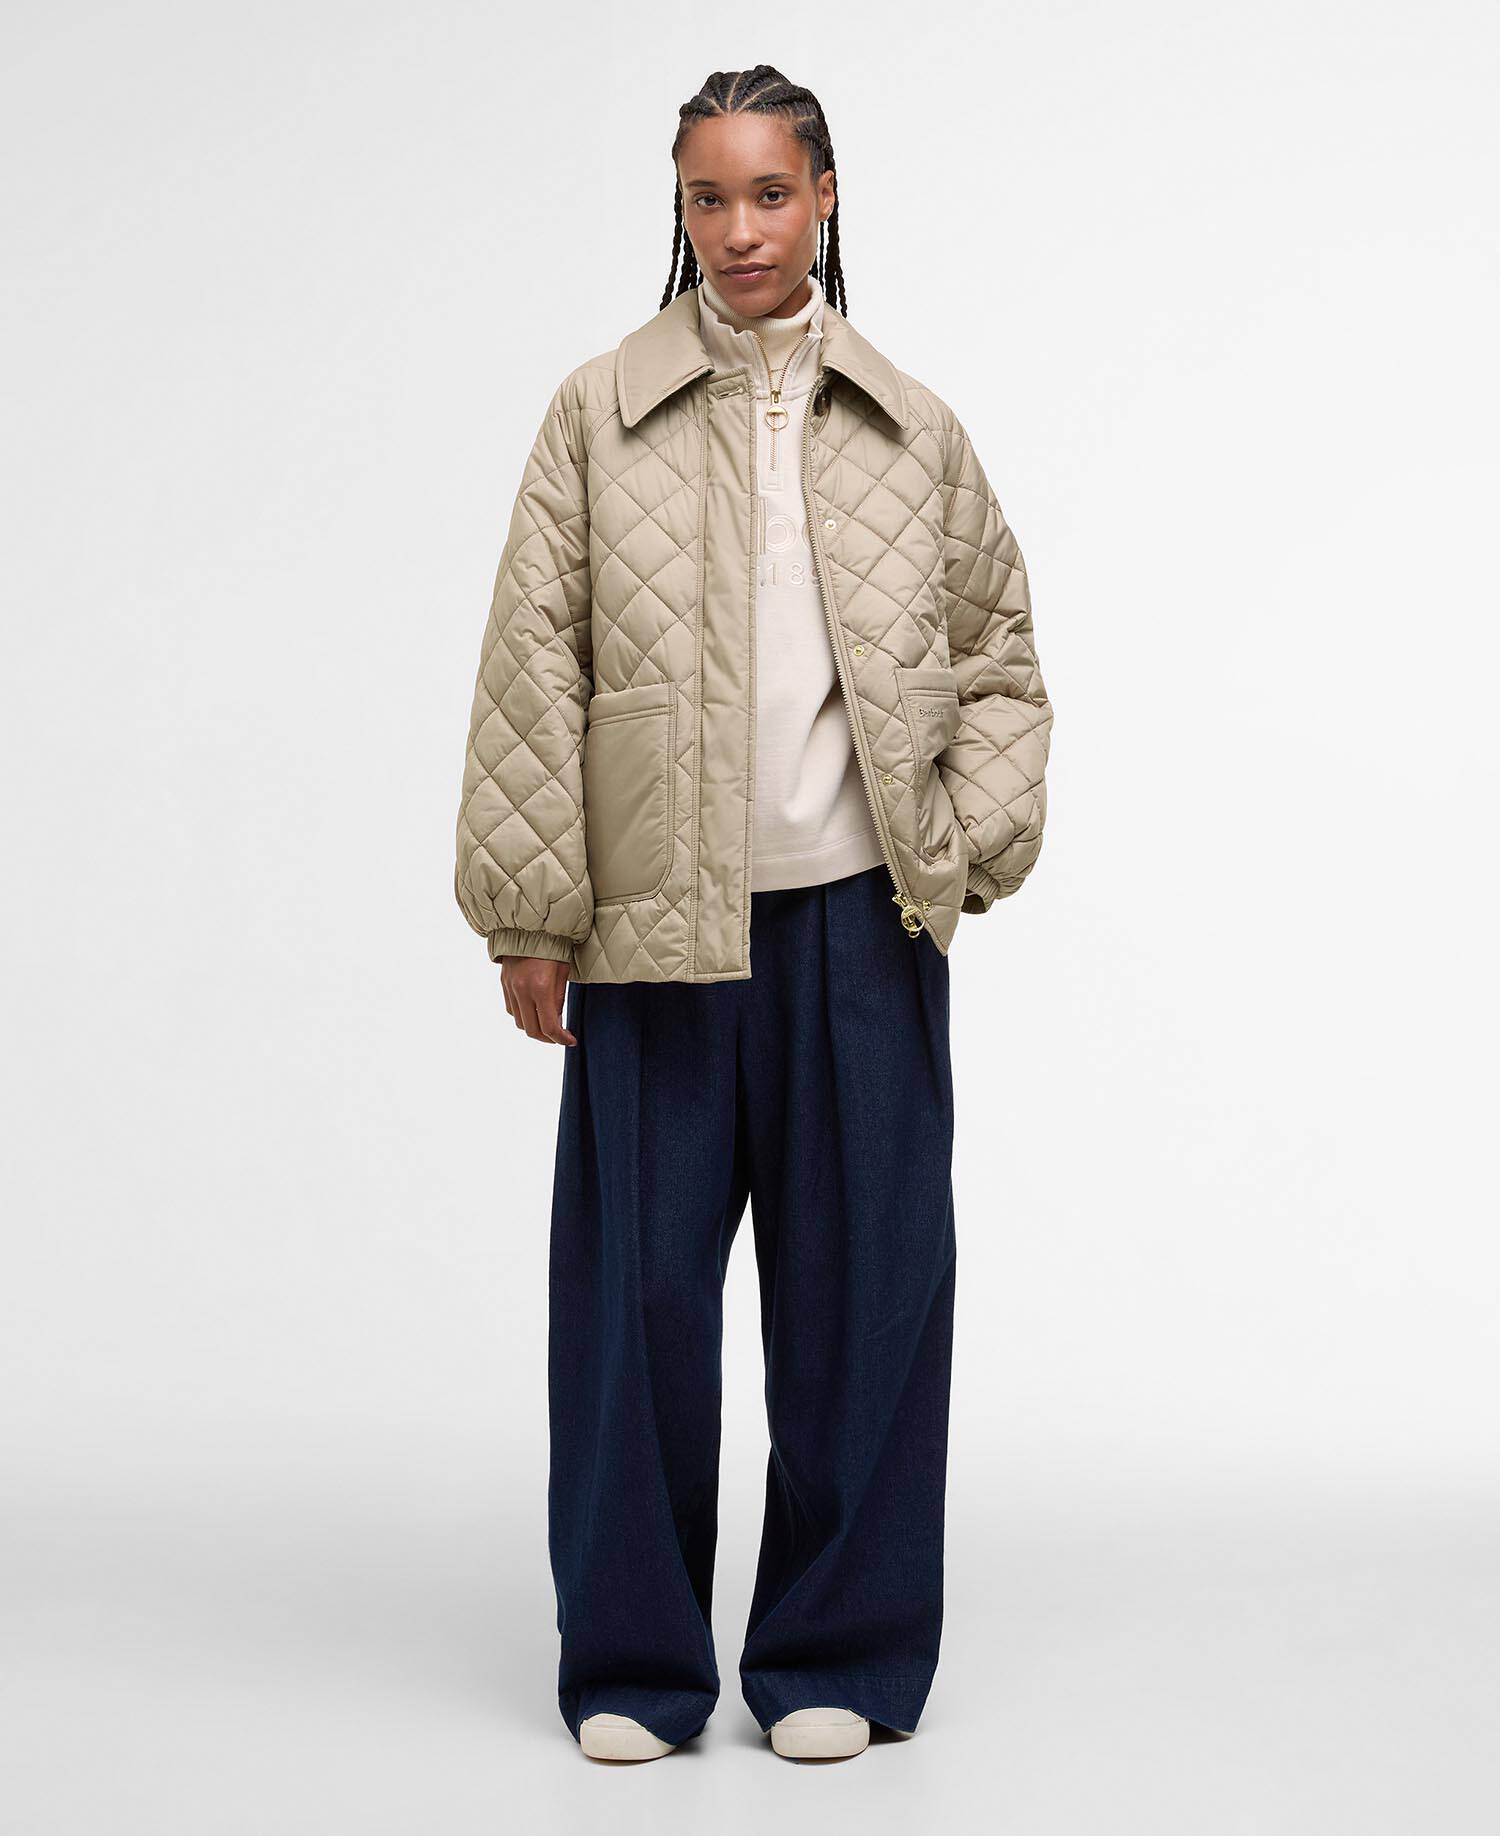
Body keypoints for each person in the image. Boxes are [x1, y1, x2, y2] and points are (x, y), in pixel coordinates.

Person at [453, 65, 1053, 1765]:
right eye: (707, 198)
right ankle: (634, 1665)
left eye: (769, 194)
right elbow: (531, 661)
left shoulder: (910, 425)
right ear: (681, 211)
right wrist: (530, 909)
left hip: (861, 928)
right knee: (634, 1312)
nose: (739, 230)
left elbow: (1002, 658)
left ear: (825, 197)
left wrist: (963, 843)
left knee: (868, 1299)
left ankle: (837, 1651)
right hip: (655, 932)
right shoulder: (599, 413)